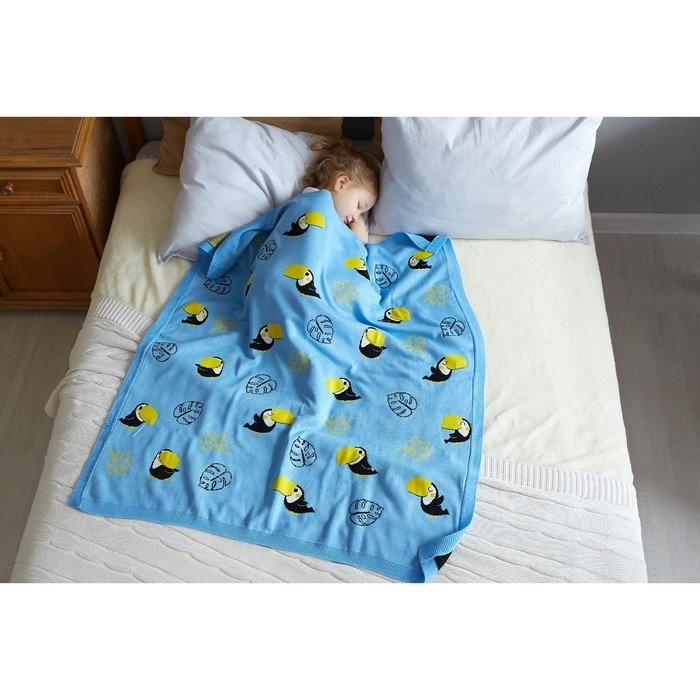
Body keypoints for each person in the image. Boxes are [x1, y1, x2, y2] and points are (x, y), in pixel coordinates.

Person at [302, 138, 380, 243]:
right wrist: (360, 240)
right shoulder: (308, 201)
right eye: (359, 206)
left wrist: (358, 235)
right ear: (342, 183)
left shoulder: (342, 222)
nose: (356, 218)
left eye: (361, 213)